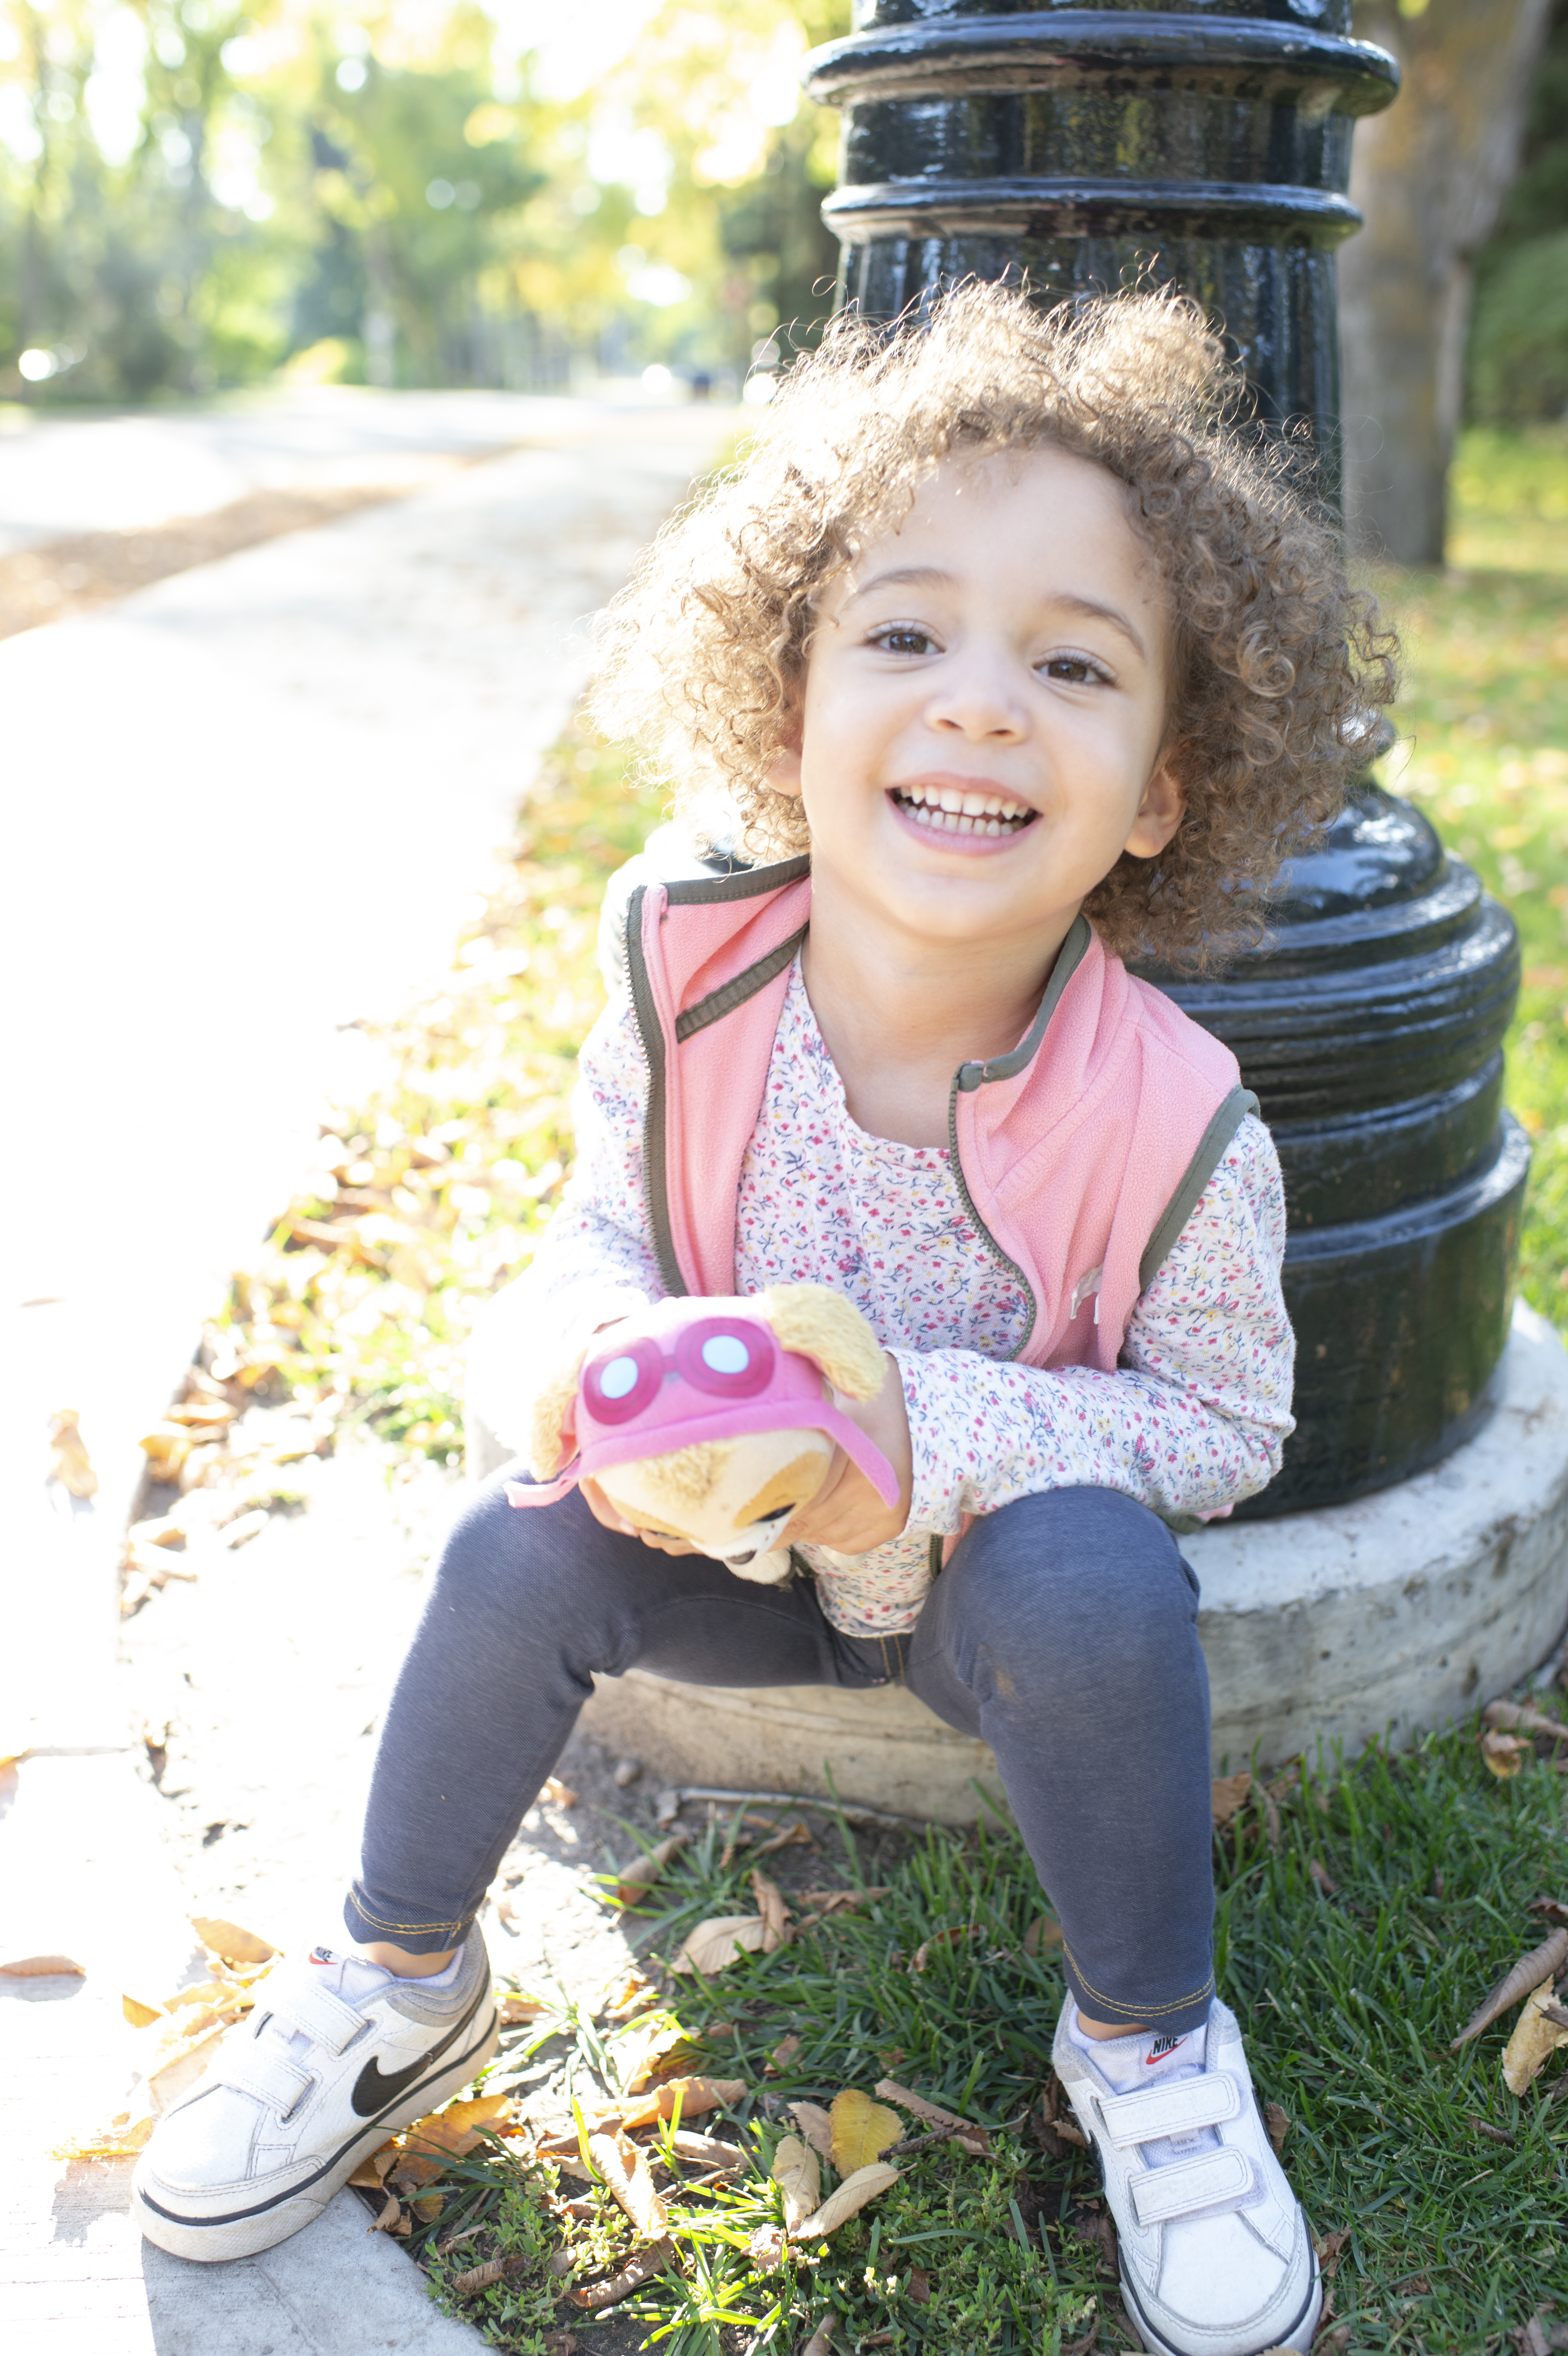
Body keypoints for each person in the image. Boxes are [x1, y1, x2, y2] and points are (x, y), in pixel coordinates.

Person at [134, 283, 1394, 2352]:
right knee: (504, 1542)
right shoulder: (680, 951)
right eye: (902, 634)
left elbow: (1223, 1420)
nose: (978, 703)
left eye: (1069, 665)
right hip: (711, 1547)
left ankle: (1148, 2040)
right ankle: (391, 1971)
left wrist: (929, 1434)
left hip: (981, 1580)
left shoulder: (1176, 1114)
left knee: (1095, 1580)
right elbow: (591, 1240)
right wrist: (572, 1365)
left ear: (1162, 785)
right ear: (785, 696)